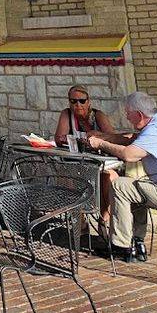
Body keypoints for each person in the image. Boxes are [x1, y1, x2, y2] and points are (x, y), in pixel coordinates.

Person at [89, 91, 157, 263]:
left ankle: (121, 245)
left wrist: (101, 143)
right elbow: (133, 138)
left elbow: (130, 154)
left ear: (139, 115)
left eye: (127, 113)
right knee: (135, 188)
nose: (126, 116)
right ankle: (136, 243)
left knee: (120, 185)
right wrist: (104, 136)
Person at [54, 83, 119, 224]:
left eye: (82, 101)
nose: (78, 104)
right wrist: (76, 140)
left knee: (109, 176)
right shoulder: (66, 114)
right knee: (66, 177)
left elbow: (113, 138)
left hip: (98, 161)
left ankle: (105, 221)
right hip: (76, 161)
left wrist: (98, 137)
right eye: (73, 101)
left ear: (88, 101)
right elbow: (59, 138)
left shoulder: (98, 116)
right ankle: (79, 221)